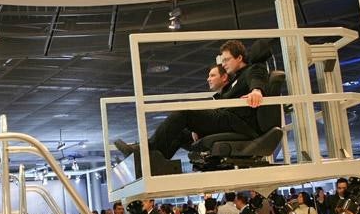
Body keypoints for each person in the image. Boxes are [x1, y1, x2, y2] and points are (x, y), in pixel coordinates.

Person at [115, 39, 268, 162]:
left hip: (236, 122)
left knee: (184, 114)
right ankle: (155, 161)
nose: (224, 64)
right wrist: (198, 127)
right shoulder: (235, 79)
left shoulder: (252, 69)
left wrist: (256, 90)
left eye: (227, 60)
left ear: (239, 58)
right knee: (181, 133)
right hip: (226, 119)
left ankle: (143, 151)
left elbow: (257, 77)